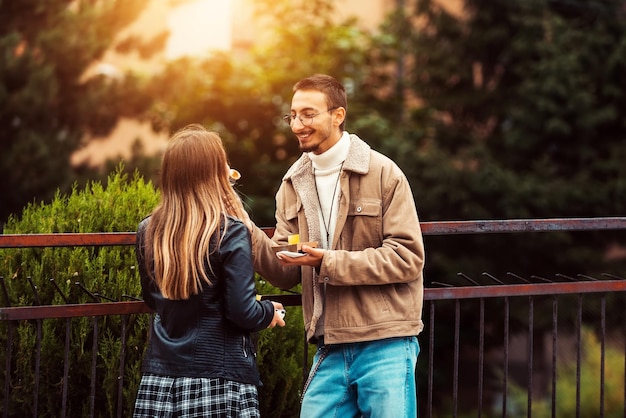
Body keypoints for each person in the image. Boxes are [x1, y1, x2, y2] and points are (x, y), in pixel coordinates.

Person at [247, 74, 425, 417]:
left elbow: (407, 257)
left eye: (308, 114)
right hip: (328, 345)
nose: (298, 124)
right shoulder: (291, 184)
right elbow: (284, 275)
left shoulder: (383, 173)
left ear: (338, 115)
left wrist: (326, 262)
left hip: (385, 340)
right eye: (293, 116)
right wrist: (242, 223)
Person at [133, 124, 285, 418]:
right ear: (215, 173)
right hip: (219, 381)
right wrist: (268, 312)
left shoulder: (147, 230)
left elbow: (153, 299)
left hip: (160, 380)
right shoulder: (230, 231)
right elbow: (242, 312)